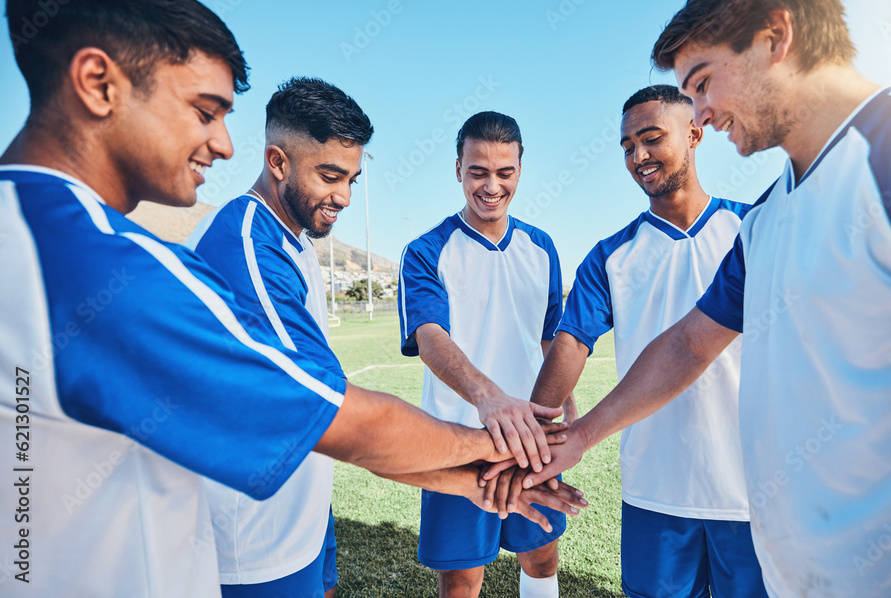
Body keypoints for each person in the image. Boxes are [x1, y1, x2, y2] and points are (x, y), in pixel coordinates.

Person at [0, 2, 584, 596]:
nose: (225, 145)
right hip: (252, 545)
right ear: (97, 83)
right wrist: (501, 451)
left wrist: (474, 473)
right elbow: (338, 420)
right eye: (205, 111)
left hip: (295, 513)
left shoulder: (279, 240)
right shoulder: (104, 257)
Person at [494, 1, 891, 596]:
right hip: (798, 567)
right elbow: (688, 344)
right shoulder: (767, 219)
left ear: (776, 36)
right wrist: (573, 438)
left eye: (704, 81)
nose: (702, 110)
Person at [529, 84, 766, 598]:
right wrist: (535, 446)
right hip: (655, 489)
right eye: (627, 146)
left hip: (752, 491)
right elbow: (571, 343)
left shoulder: (754, 229)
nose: (638, 156)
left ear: (695, 134)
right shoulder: (611, 255)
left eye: (651, 139)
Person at [183, 77, 371, 598]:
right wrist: (467, 462)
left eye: (353, 179)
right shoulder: (245, 245)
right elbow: (321, 407)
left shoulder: (295, 238)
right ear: (278, 161)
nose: (345, 197)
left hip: (303, 505)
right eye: (331, 176)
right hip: (254, 538)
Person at [398, 111, 566, 598]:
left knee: (542, 553)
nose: (491, 185)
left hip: (533, 441)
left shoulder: (543, 247)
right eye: (478, 172)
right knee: (462, 577)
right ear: (458, 170)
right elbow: (429, 337)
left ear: (519, 170)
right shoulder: (427, 250)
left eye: (504, 172)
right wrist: (488, 398)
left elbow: (551, 338)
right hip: (458, 439)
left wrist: (566, 410)